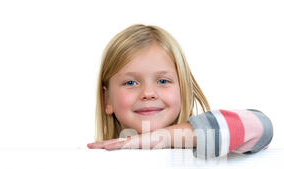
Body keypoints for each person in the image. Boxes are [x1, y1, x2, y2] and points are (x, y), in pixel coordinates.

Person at [87, 24, 273, 159]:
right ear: (107, 99)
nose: (148, 93)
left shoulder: (205, 144)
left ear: (183, 90)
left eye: (163, 81)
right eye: (131, 82)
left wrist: (162, 138)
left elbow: (261, 126)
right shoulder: (96, 161)